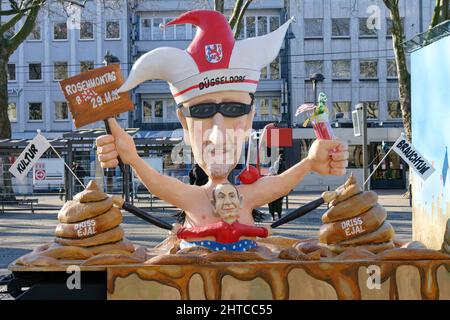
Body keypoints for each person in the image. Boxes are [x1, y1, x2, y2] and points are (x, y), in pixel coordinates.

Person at [96, 10, 348, 240]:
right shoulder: (194, 198)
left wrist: (310, 162)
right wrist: (132, 157)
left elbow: (278, 184)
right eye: (203, 112)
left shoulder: (244, 196)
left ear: (250, 118)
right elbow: (160, 184)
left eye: (233, 110)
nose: (217, 135)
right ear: (184, 122)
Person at [171, 183, 270, 251]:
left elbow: (252, 231)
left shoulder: (240, 228)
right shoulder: (217, 228)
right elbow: (199, 232)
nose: (227, 202)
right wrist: (180, 232)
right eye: (221, 197)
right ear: (214, 205)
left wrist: (264, 231)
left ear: (239, 201)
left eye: (232, 196)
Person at [268, 153, 286, 221]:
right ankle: (279, 216)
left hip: (272, 194)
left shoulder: (269, 178)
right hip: (278, 191)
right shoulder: (282, 164)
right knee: (278, 204)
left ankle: (273, 216)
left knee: (272, 204)